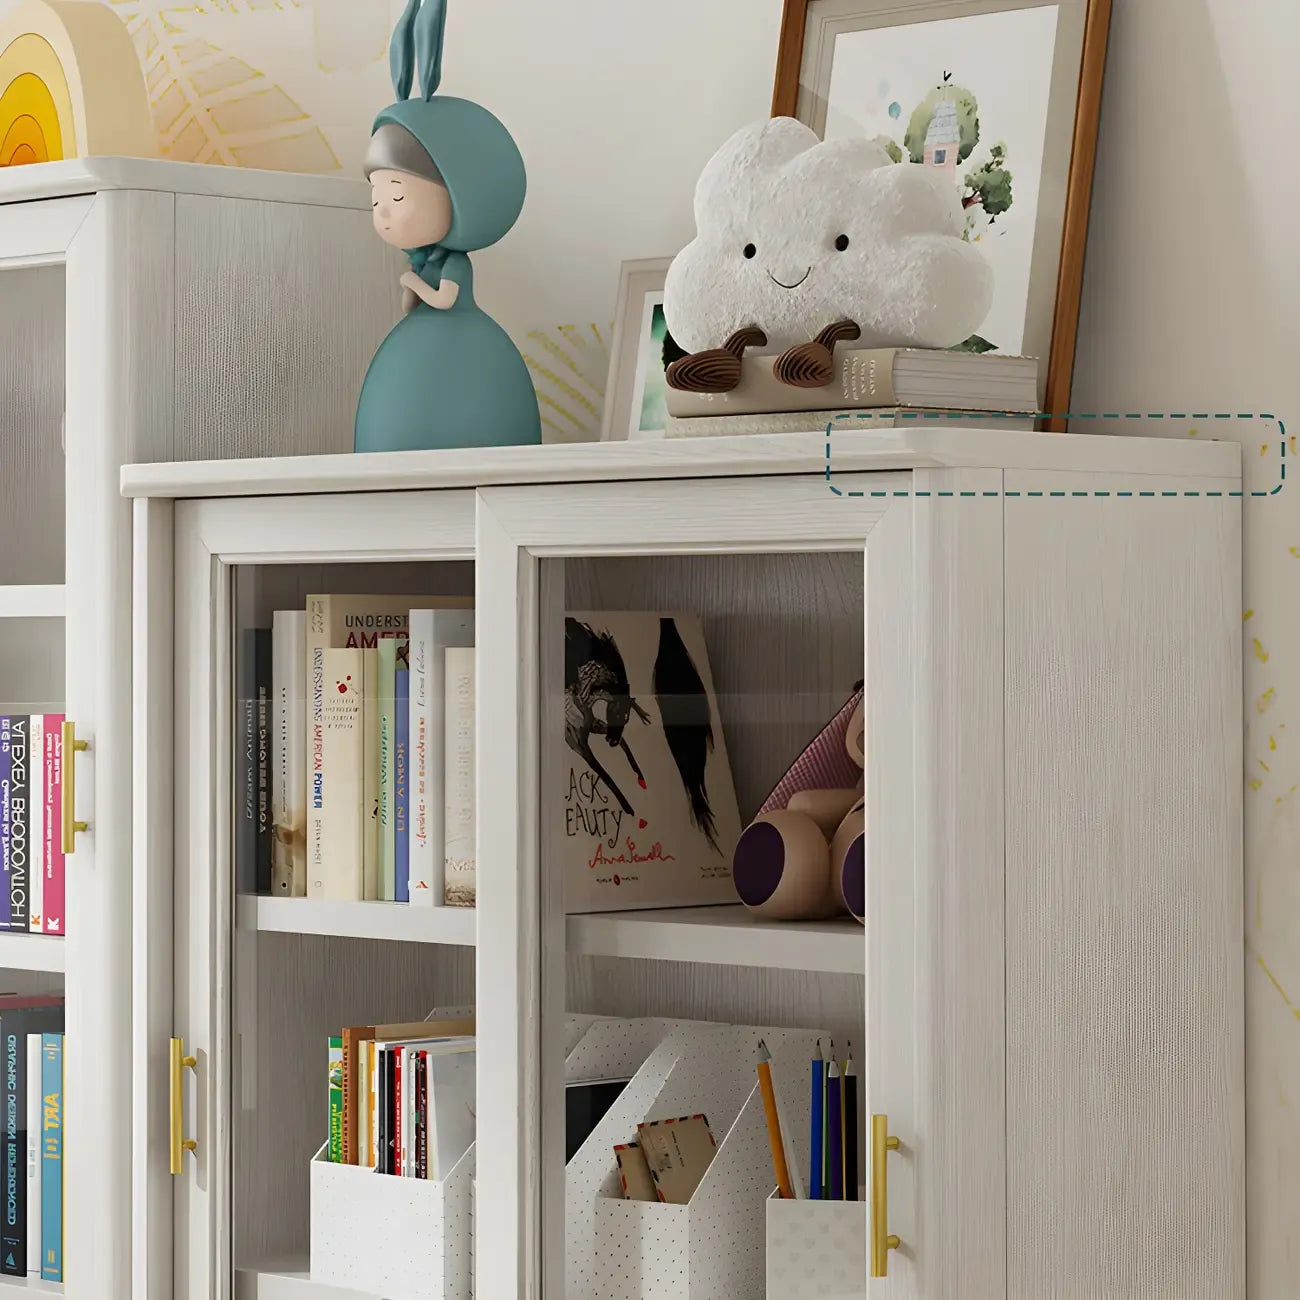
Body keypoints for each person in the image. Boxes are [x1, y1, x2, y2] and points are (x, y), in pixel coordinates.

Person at [354, 0, 542, 452]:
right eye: (377, 197)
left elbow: (444, 299)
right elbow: (411, 307)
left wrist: (413, 284)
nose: (382, 210)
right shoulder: (421, 261)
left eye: (397, 195)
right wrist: (409, 284)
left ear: (461, 189)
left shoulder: (452, 267)